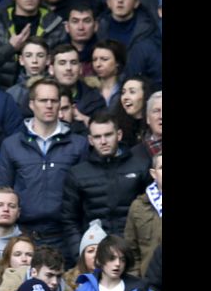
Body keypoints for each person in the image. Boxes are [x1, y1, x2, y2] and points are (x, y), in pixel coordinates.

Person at [0, 78, 89, 255]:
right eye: (43, 100)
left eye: (54, 101)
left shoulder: (78, 144)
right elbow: (3, 189)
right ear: (32, 104)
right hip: (23, 233)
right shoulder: (11, 145)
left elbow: (84, 193)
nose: (49, 105)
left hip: (65, 234)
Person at [60, 110, 151, 265]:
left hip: (134, 254)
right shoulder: (78, 173)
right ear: (90, 140)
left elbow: (152, 213)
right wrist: (81, 255)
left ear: (119, 135)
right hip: (95, 256)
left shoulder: (141, 166)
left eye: (108, 135)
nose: (103, 141)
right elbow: (69, 220)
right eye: (97, 137)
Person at [0, 0, 66, 90]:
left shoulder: (54, 24)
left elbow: (62, 62)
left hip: (46, 91)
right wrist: (10, 48)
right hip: (2, 92)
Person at [124, 152, 161, 277]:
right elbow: (131, 250)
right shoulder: (138, 207)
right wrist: (137, 283)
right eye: (161, 168)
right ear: (153, 173)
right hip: (150, 283)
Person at [62, 218, 106, 291]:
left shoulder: (118, 282)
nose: (95, 255)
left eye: (100, 250)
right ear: (82, 257)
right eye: (90, 251)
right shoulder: (68, 284)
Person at [114, 75, 151, 148]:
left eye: (132, 92)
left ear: (145, 96)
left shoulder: (155, 124)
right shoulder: (117, 125)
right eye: (123, 92)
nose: (125, 97)